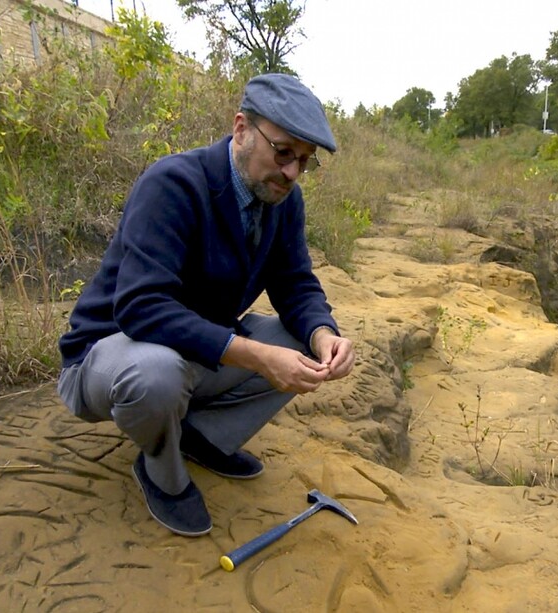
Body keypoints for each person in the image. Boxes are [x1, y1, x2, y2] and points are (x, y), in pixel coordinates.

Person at [56, 73, 356, 537]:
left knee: (301, 345)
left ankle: (200, 437)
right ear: (241, 129)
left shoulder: (281, 199)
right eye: (282, 153)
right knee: (156, 374)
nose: (293, 173)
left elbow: (296, 282)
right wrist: (256, 355)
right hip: (107, 357)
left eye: (304, 161)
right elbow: (140, 307)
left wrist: (324, 334)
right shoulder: (173, 184)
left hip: (192, 353)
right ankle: (163, 472)